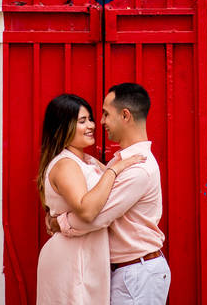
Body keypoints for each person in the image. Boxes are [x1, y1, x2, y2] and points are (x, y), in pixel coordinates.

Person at [51, 82, 171, 305]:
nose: (101, 122)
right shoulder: (122, 161)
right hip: (131, 271)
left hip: (137, 273)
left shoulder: (138, 169)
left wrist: (60, 223)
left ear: (125, 115)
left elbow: (96, 216)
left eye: (106, 114)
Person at [36, 93, 146, 305]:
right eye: (82, 121)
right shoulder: (66, 164)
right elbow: (87, 211)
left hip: (86, 257)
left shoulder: (87, 161)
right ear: (63, 126)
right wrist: (114, 169)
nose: (92, 126)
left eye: (91, 119)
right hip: (72, 258)